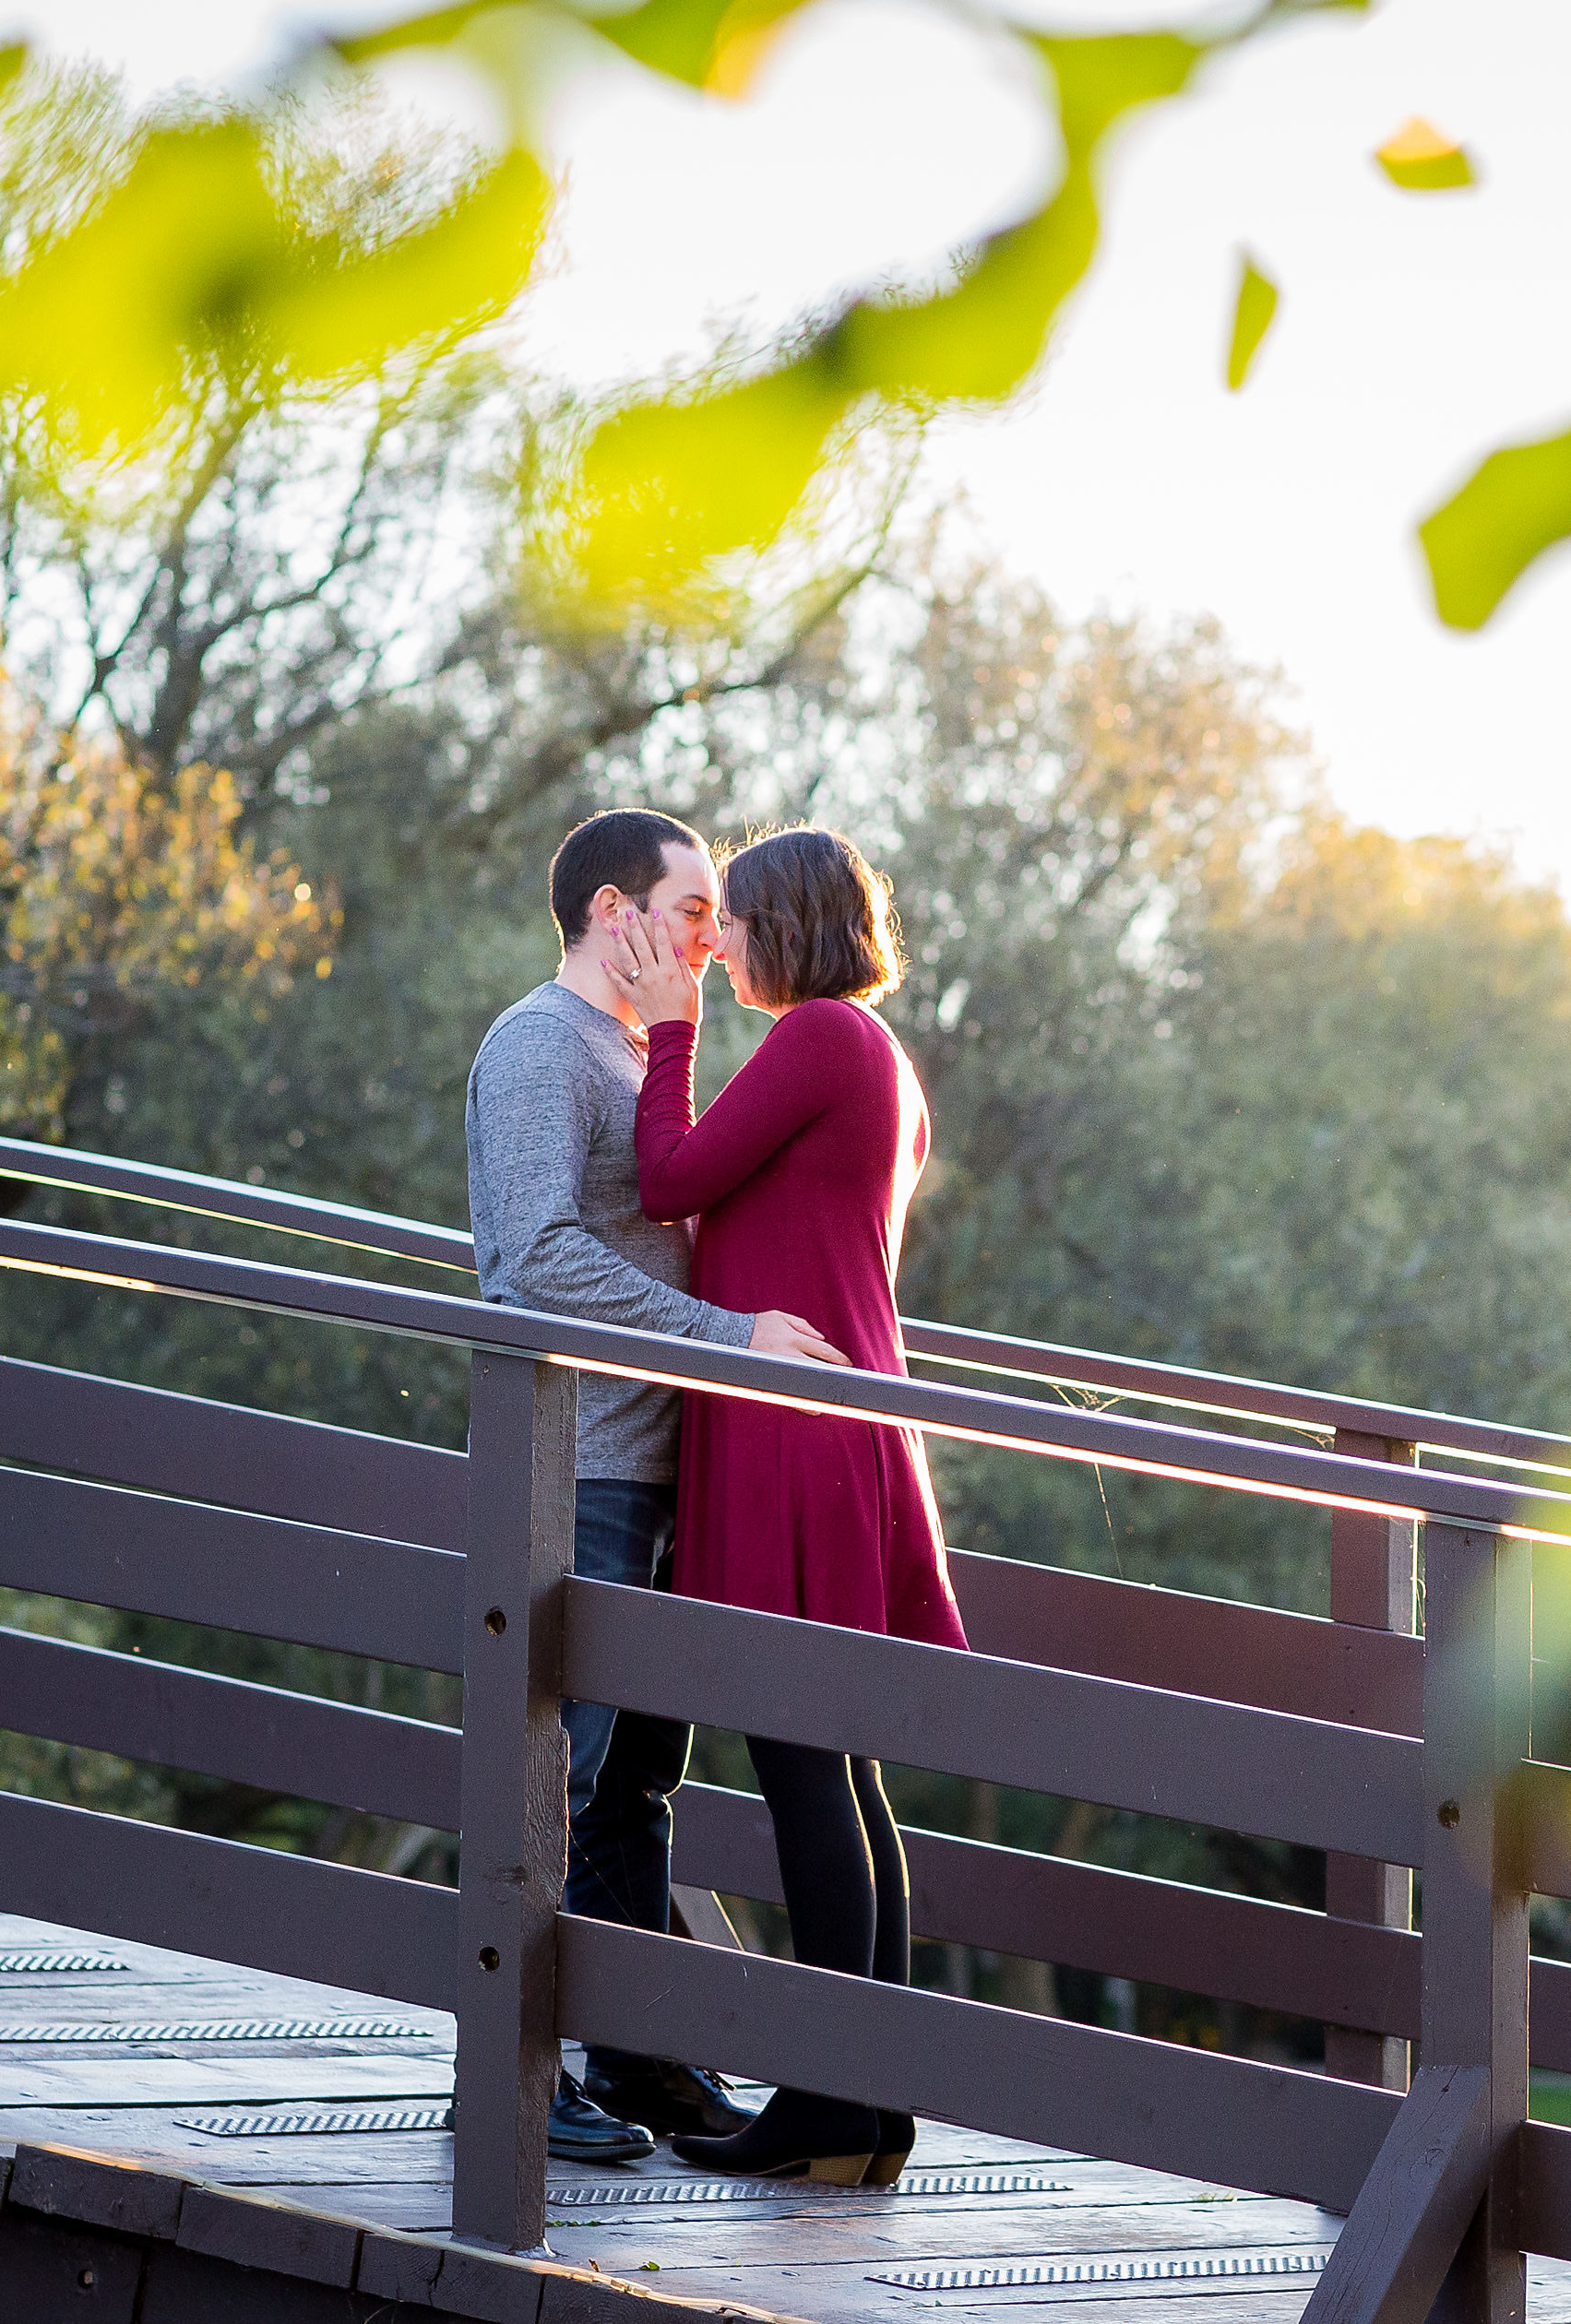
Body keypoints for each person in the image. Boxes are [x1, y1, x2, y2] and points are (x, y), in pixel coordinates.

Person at [464, 808, 853, 2165]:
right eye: (693, 910)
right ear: (615, 911)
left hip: (667, 1459)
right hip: (584, 1460)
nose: (713, 937)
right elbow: (537, 1260)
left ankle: (638, 2064)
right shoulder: (537, 1046)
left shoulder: (635, 1052)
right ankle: (502, 2074)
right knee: (553, 1778)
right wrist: (729, 1338)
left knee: (637, 1783)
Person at [608, 824, 961, 2186]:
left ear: (793, 926)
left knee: (805, 1759)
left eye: (735, 921)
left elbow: (671, 1181)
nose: (718, 943)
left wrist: (671, 1031)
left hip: (796, 1431)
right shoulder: (877, 1056)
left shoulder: (818, 1040)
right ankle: (868, 2108)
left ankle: (831, 2105)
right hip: (838, 1421)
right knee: (842, 1767)